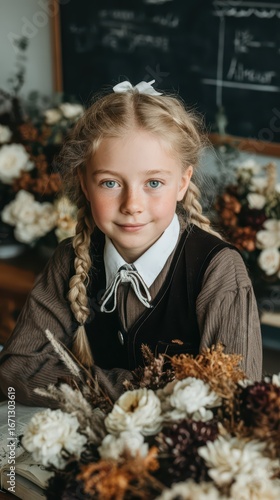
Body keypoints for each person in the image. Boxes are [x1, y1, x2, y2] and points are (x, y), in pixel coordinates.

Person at [0, 80, 262, 406]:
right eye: (110, 182)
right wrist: (138, 391)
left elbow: (233, 400)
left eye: (153, 182)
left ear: (182, 183)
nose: (131, 204)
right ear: (84, 182)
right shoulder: (70, 259)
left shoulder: (218, 271)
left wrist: (93, 388)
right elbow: (16, 370)